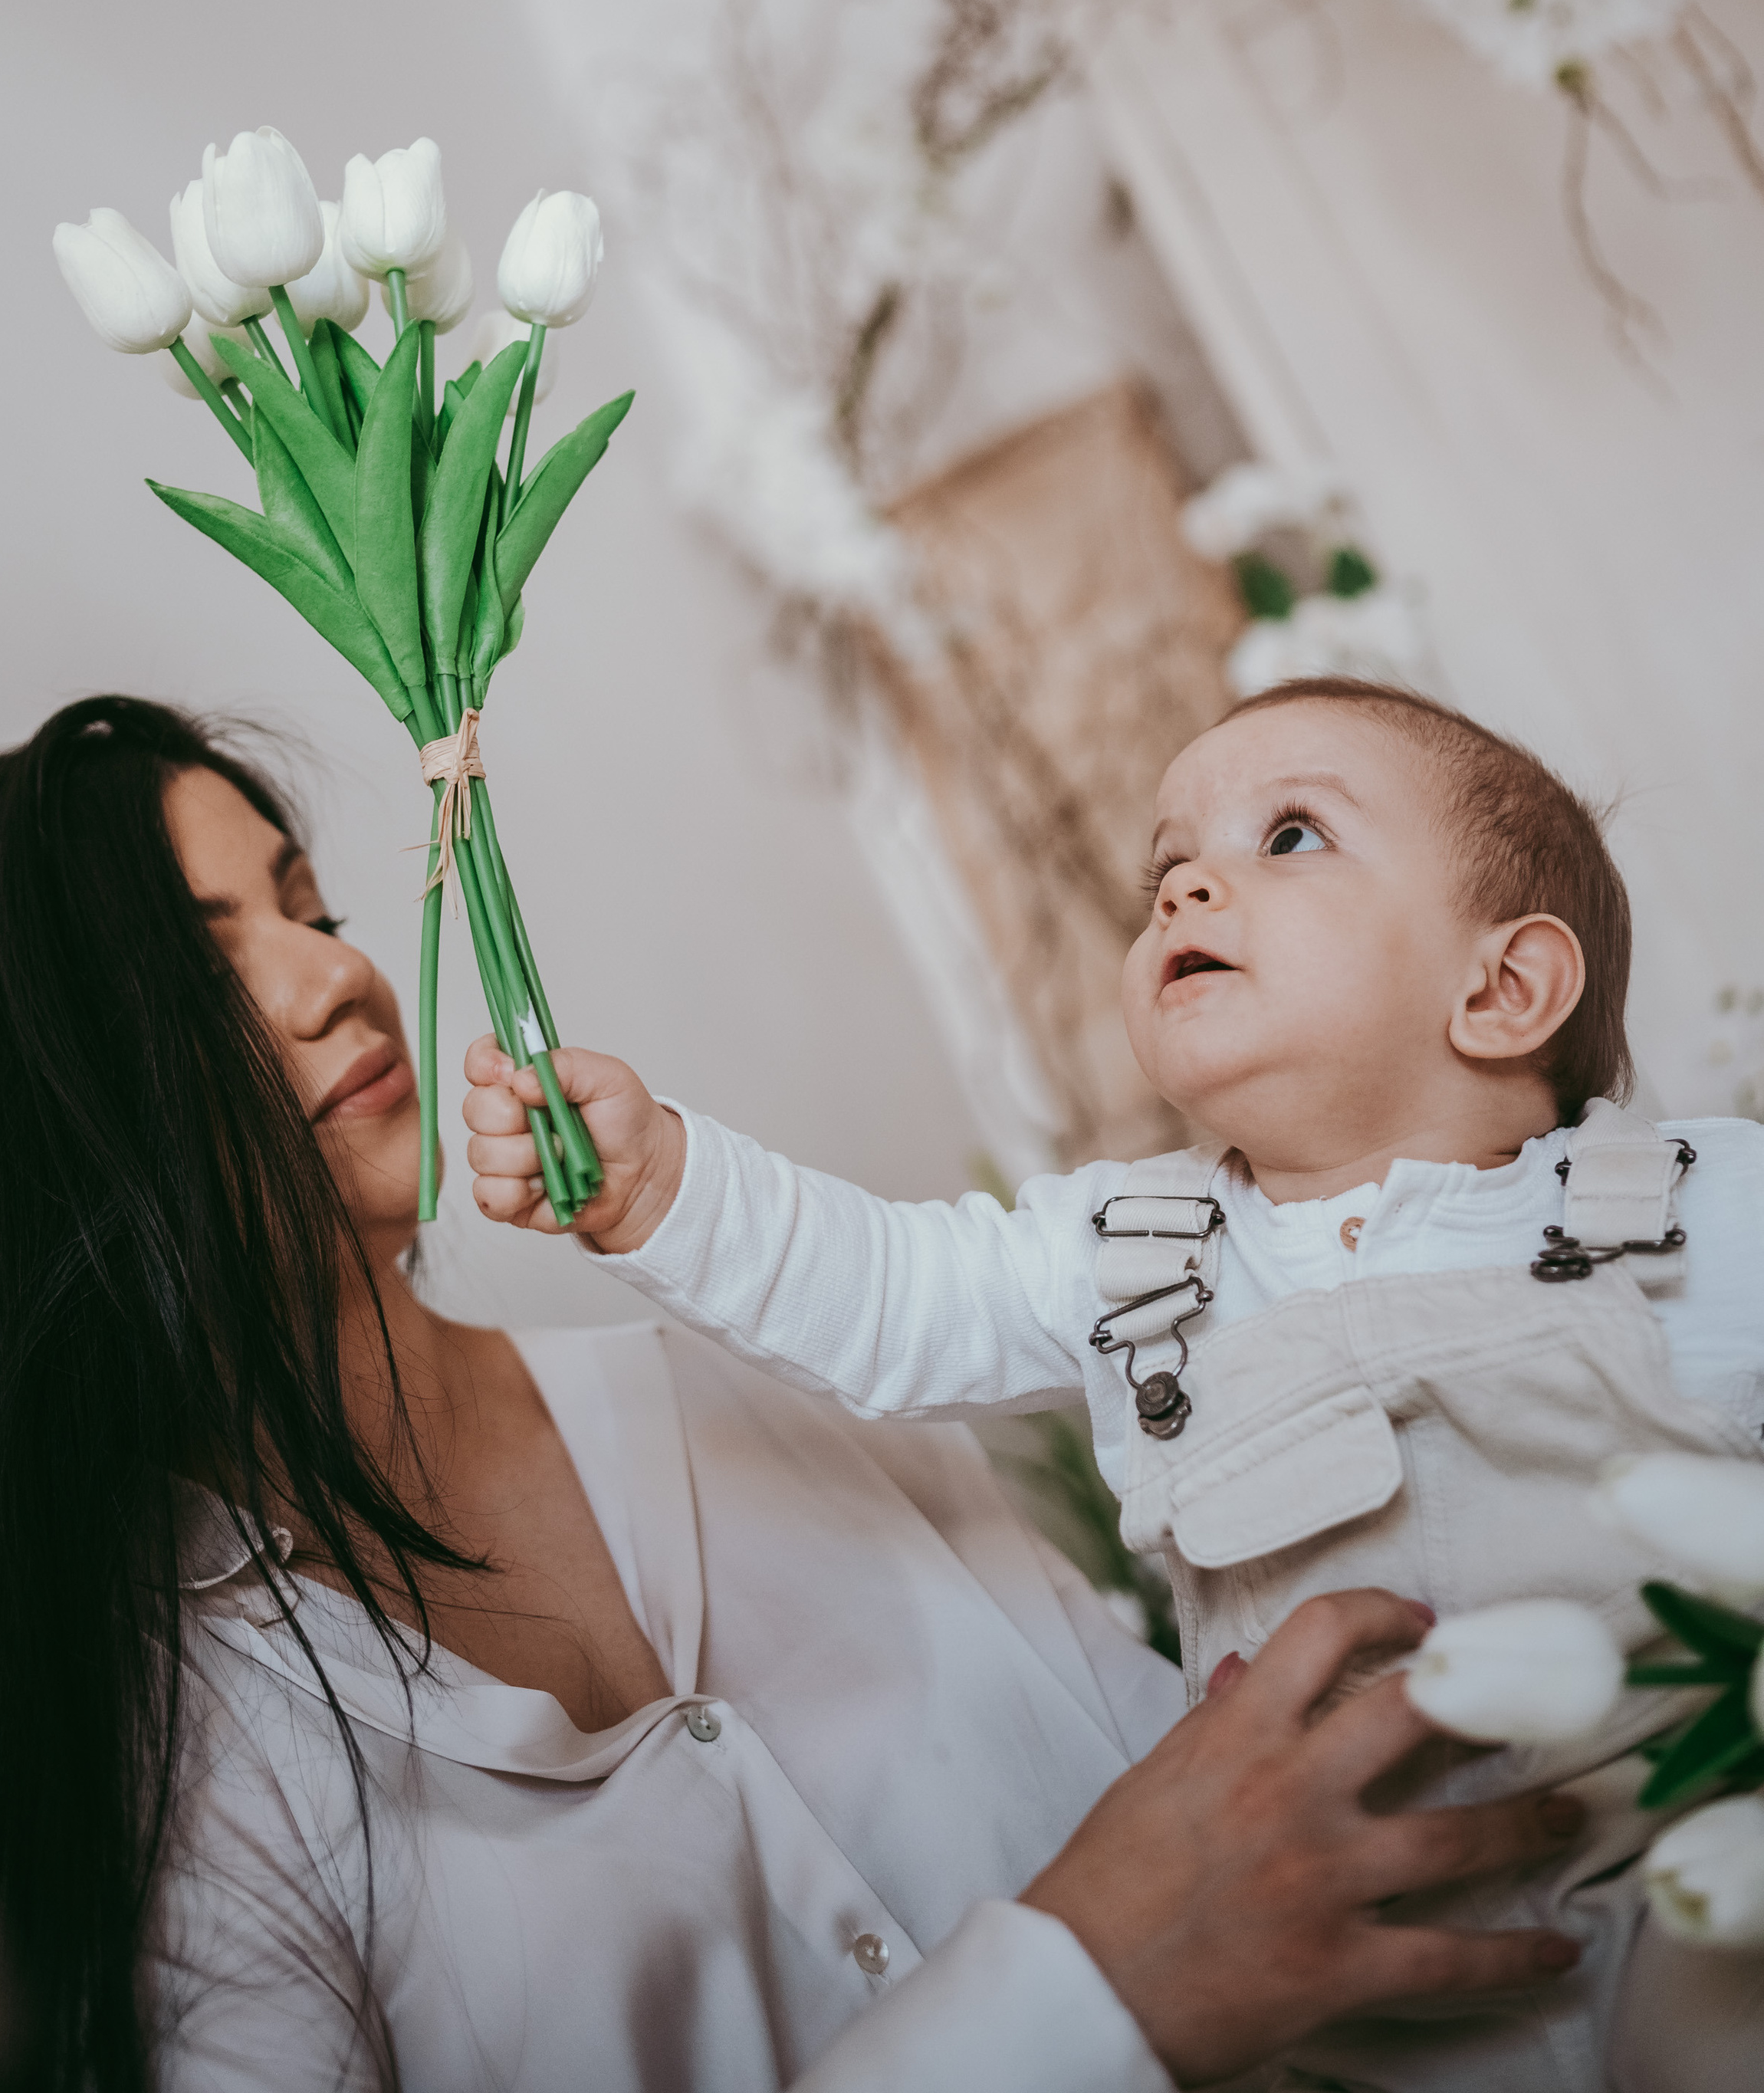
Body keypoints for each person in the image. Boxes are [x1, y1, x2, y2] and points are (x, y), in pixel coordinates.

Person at [0, 696, 1586, 2093]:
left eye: (308, 904)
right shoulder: (174, 1791)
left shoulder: (756, 1399)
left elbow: (1230, 1771)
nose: (335, 971)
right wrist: (1080, 1991)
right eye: (199, 970)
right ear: (7, 1147)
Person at [464, 675, 1764, 2092]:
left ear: (1503, 989)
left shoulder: (1691, 1209)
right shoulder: (1136, 1254)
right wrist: (664, 1184)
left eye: (1290, 837)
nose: (1186, 888)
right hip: (1346, 1993)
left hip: (1684, 1898)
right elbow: (894, 1296)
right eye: (1166, 871)